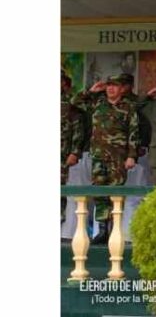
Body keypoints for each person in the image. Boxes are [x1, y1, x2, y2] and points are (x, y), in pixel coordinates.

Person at [71, 75, 139, 244]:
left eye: (115, 86)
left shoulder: (128, 107)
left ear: (122, 89)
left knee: (115, 195)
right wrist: (91, 91)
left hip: (118, 158)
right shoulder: (97, 103)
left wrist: (131, 156)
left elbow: (133, 132)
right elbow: (74, 101)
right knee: (100, 194)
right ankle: (102, 231)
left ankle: (114, 230)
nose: (111, 88)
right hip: (99, 157)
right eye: (108, 85)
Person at [61, 71, 84, 221]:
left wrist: (74, 152)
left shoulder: (71, 103)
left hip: (63, 154)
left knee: (61, 192)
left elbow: (78, 129)